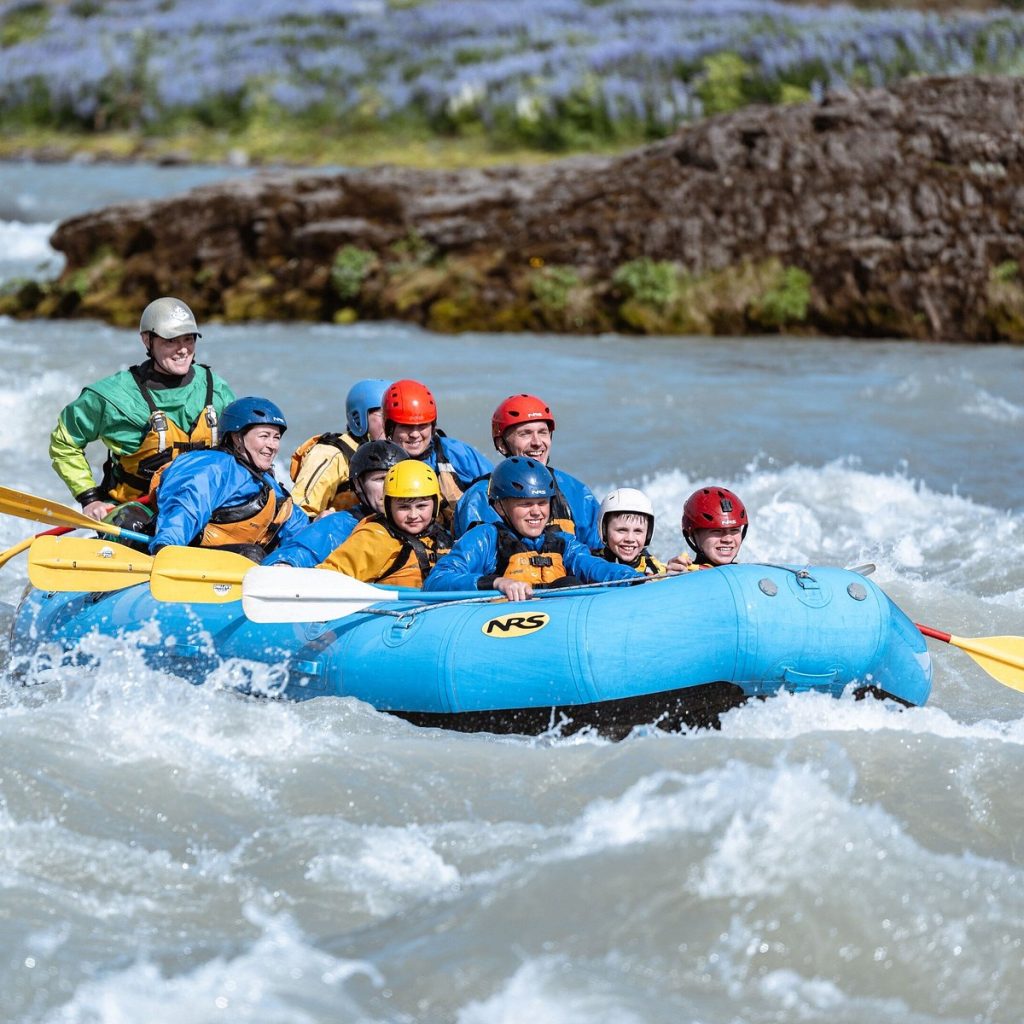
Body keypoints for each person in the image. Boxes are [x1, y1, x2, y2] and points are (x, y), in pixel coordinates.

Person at [49, 297, 234, 521]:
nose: (183, 349)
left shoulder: (216, 389)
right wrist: (89, 498)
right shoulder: (112, 396)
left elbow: (241, 446)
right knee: (133, 524)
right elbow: (65, 442)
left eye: (189, 339)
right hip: (135, 511)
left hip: (202, 504)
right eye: (171, 341)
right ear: (147, 340)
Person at [426, 456, 640, 600]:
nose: (537, 512)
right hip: (502, 628)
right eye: (525, 504)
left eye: (542, 503)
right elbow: (436, 581)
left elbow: (593, 567)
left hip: (553, 626)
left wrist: (631, 578)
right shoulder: (485, 538)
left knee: (569, 582)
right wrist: (496, 583)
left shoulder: (563, 543)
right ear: (500, 506)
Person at [149, 396, 309, 562]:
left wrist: (316, 528)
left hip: (237, 560)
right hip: (190, 555)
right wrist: (165, 548)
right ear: (237, 437)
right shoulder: (213, 467)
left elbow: (293, 523)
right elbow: (187, 506)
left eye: (276, 437)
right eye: (264, 436)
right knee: (252, 555)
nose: (272, 445)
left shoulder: (266, 481)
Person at [451, 393, 601, 547]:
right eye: (525, 434)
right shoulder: (478, 498)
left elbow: (598, 551)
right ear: (502, 445)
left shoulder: (577, 491)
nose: (537, 442)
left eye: (543, 432)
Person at [265, 440, 409, 568]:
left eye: (396, 477)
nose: (390, 486)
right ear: (358, 485)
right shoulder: (340, 524)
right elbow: (299, 553)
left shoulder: (422, 518)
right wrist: (284, 565)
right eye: (381, 479)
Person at [318, 460, 451, 587]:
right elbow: (326, 578)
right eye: (403, 507)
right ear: (388, 507)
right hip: (390, 608)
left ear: (435, 506)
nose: (413, 515)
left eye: (422, 506)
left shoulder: (440, 536)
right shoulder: (374, 539)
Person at [381, 379, 491, 525]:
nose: (415, 434)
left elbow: (497, 485)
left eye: (422, 426)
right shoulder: (377, 461)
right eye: (405, 426)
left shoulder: (455, 453)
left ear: (433, 427)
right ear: (389, 428)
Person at [288, 378, 390, 517]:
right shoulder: (329, 454)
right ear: (359, 417)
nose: (391, 422)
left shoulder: (390, 453)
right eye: (384, 415)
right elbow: (298, 514)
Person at [667, 486, 748, 572]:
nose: (728, 539)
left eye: (734, 530)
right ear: (692, 534)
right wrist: (670, 580)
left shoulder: (749, 573)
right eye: (717, 531)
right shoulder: (682, 574)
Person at [594, 488, 665, 576]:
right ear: (604, 531)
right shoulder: (592, 566)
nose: (630, 539)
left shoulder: (654, 567)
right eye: (621, 530)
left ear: (648, 534)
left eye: (638, 531)